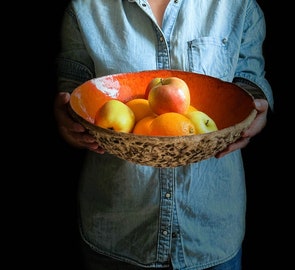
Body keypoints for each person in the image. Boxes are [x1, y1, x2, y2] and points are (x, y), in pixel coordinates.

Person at [54, 0, 274, 269]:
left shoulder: (238, 6)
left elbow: (249, 78)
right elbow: (74, 84)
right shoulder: (86, 8)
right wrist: (67, 118)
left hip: (210, 232)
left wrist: (253, 108)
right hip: (118, 230)